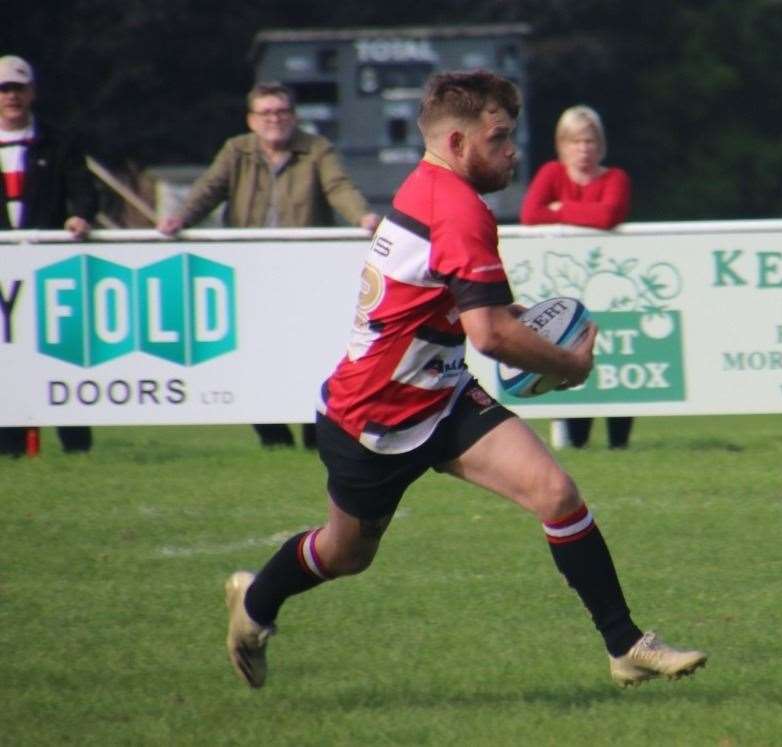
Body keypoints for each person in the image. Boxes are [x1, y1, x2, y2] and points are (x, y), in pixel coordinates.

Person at [222, 70, 706, 691]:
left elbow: (481, 316)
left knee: (555, 493)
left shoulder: (438, 191)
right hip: (371, 418)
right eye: (499, 138)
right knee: (345, 554)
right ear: (456, 143)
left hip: (442, 396)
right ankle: (255, 603)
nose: (512, 152)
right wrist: (570, 365)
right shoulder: (456, 210)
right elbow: (492, 335)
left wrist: (526, 331)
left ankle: (625, 645)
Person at [157, 81, 380, 450]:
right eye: (266, 113)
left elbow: (338, 186)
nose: (274, 119)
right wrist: (179, 219)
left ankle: (315, 432)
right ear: (251, 119)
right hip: (250, 277)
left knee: (315, 355)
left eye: (282, 112)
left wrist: (362, 217)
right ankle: (273, 436)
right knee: (253, 357)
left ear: (293, 116)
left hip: (305, 276)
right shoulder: (236, 151)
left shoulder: (316, 149)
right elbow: (209, 189)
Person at [520, 105, 634, 451]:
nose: (583, 148)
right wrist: (577, 215)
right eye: (575, 141)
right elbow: (530, 214)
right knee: (568, 354)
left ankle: (620, 443)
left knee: (618, 360)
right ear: (562, 145)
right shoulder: (552, 174)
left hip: (611, 294)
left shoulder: (615, 179)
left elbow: (610, 214)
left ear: (600, 145)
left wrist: (559, 212)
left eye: (590, 141)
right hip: (566, 291)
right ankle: (575, 438)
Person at [0, 55, 95, 457]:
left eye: (18, 88)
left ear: (32, 92)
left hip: (52, 271)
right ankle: (10, 447)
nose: (11, 96)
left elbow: (84, 189)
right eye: (4, 89)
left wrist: (81, 215)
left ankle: (77, 447)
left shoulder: (60, 142)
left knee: (64, 356)